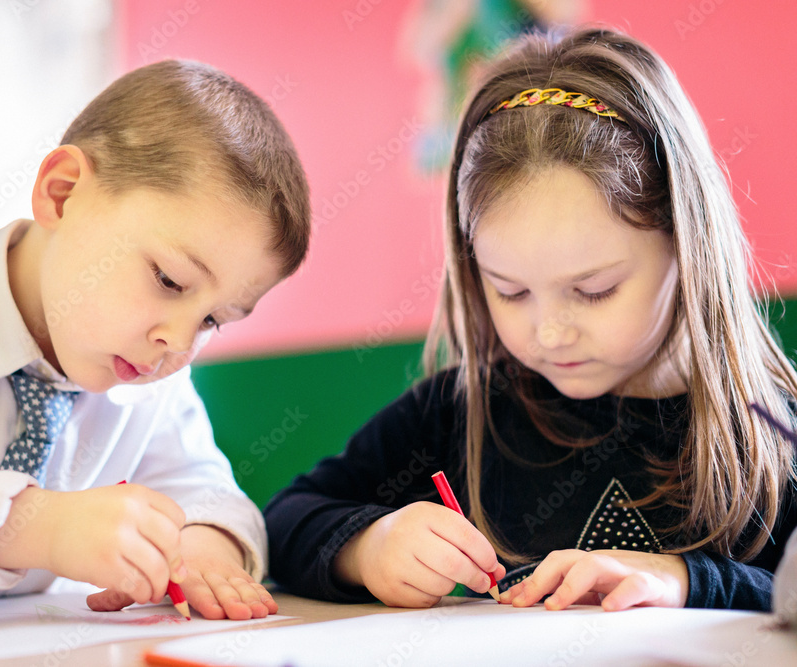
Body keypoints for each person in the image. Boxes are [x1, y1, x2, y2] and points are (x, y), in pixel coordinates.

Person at [264, 26, 797, 612]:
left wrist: (689, 581)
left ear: (686, 244)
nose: (549, 333)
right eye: (510, 291)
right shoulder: (462, 411)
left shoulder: (775, 429)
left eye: (594, 290)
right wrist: (369, 545)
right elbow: (286, 521)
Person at [0, 59, 310, 621]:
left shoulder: (149, 382)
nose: (178, 341)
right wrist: (37, 526)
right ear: (62, 194)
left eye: (213, 320)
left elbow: (206, 490)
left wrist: (201, 549)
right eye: (169, 280)